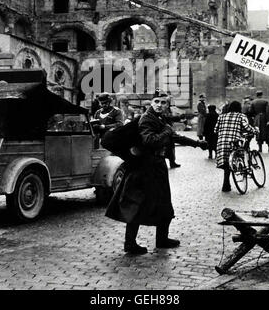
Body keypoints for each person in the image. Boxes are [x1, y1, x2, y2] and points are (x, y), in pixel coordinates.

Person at [105, 90, 207, 255]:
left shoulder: (158, 118)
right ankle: (130, 244)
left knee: (162, 203)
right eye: (157, 102)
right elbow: (150, 140)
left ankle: (162, 239)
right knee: (136, 204)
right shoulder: (147, 119)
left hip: (154, 166)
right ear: (151, 103)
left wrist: (197, 143)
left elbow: (174, 136)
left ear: (167, 105)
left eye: (163, 102)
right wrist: (166, 132)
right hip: (145, 168)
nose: (160, 105)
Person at [214, 100, 256, 192]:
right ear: (239, 108)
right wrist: (255, 130)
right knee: (238, 153)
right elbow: (247, 127)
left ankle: (226, 184)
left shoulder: (221, 116)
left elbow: (215, 130)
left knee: (226, 163)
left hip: (222, 143)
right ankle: (243, 168)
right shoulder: (241, 116)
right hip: (234, 143)